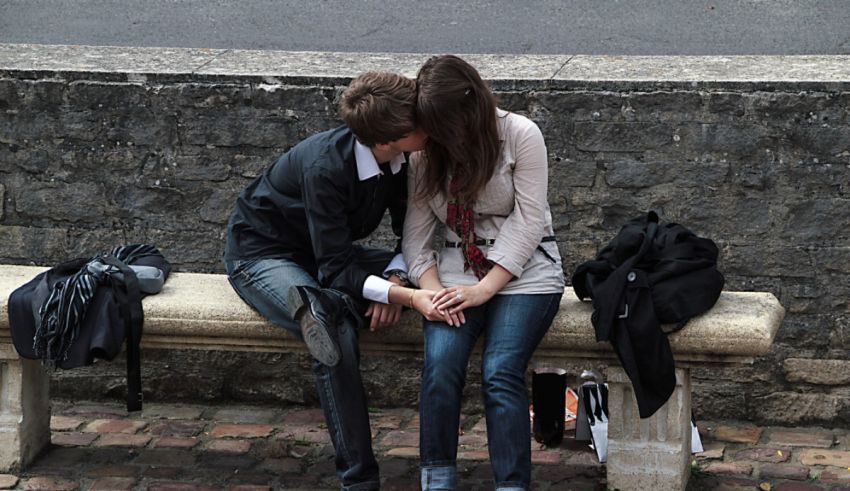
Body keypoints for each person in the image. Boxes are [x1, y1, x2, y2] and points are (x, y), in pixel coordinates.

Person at [223, 71, 436, 491]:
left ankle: (332, 301)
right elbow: (337, 268)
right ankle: (359, 481)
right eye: (420, 121)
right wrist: (405, 296)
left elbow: (410, 234)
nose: (431, 126)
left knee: (348, 291)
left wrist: (393, 278)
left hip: (326, 257)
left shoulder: (402, 160)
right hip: (264, 255)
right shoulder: (325, 167)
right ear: (390, 136)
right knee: (334, 333)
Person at [403, 55, 566, 491]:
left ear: (470, 106)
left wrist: (485, 289)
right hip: (455, 273)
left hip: (525, 273)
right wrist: (433, 292)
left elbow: (530, 221)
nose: (441, 137)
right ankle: (436, 478)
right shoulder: (426, 153)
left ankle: (511, 485)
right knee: (440, 364)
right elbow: (416, 238)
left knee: (500, 370)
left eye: (446, 125)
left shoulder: (519, 135)